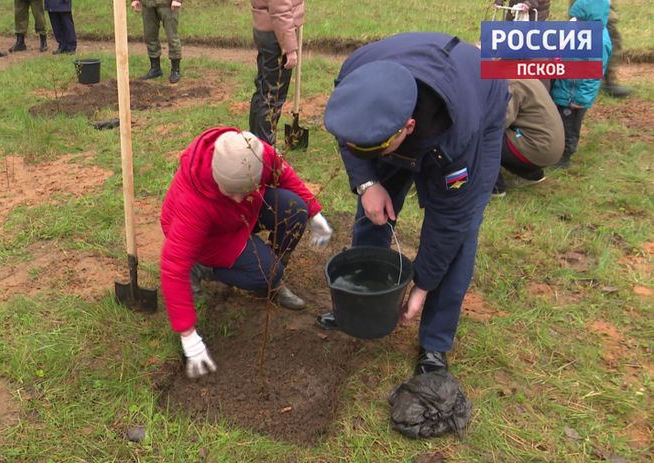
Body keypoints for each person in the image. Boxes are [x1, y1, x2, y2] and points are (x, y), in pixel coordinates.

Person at [318, 33, 509, 375]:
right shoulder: (355, 82)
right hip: (407, 86)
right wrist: (367, 182)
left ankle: (434, 342)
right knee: (374, 210)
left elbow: (450, 221)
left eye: (377, 148)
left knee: (461, 237)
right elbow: (350, 139)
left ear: (407, 128)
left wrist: (422, 284)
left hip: (480, 95)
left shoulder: (458, 138)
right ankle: (366, 303)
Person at [160, 128, 333, 378]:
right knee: (266, 272)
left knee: (295, 210)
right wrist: (188, 334)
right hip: (209, 239)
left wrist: (314, 213)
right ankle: (203, 267)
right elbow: (173, 266)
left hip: (239, 216)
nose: (239, 197)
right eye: (231, 192)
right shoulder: (193, 203)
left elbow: (285, 175)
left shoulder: (253, 153)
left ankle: (266, 272)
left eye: (244, 189)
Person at [551, 0, 612, 169]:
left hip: (574, 96)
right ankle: (557, 151)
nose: (575, 21)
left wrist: (580, 99)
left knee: (569, 127)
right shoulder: (580, 32)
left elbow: (593, 76)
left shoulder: (599, 42)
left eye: (579, 19)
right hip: (564, 88)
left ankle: (565, 156)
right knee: (559, 123)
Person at [493, 79, 564, 196]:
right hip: (548, 145)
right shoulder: (524, 76)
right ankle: (532, 175)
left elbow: (500, 121)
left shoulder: (511, 84)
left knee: (485, 138)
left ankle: (495, 188)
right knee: (511, 134)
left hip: (538, 147)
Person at [248, 0, 304, 146]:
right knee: (273, 95)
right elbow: (280, 10)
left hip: (266, 30)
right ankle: (265, 149)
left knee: (263, 89)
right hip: (277, 35)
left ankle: (254, 144)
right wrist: (290, 47)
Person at [131, 0, 183, 84]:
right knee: (149, 36)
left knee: (172, 37)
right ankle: (155, 69)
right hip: (148, 5)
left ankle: (175, 70)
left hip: (167, 5)